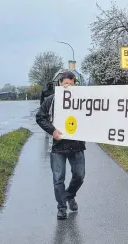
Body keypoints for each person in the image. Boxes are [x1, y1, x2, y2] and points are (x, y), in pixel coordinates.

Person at [36, 71, 86, 220]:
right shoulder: (51, 100)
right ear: (59, 84)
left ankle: (70, 195)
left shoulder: (83, 100)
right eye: (65, 84)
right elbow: (40, 117)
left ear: (75, 84)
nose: (68, 87)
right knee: (58, 179)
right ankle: (61, 208)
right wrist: (52, 131)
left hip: (76, 145)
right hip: (58, 146)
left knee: (79, 175)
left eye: (71, 84)